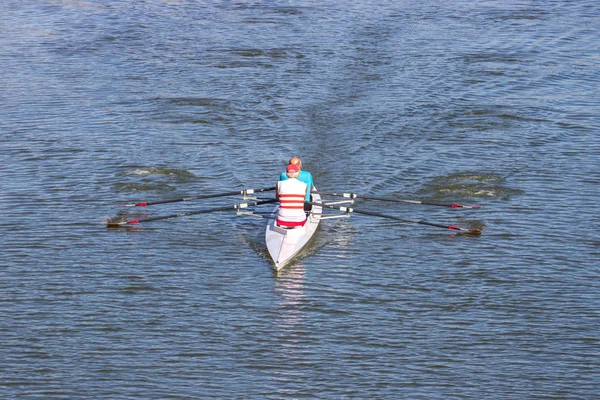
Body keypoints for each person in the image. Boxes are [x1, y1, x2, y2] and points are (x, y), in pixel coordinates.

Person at [275, 164, 308, 228]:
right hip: (299, 220)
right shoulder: (304, 185)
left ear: (287, 173)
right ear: (298, 173)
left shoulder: (279, 184)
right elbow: (303, 200)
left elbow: (277, 199)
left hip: (282, 220)